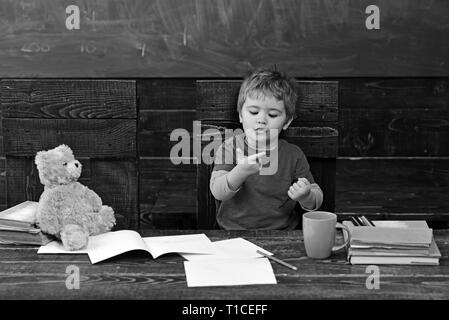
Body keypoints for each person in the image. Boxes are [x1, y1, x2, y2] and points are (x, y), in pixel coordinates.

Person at [210, 67, 323, 230]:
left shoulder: (293, 155)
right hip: (232, 232)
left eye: (272, 115)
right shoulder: (230, 148)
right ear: (241, 115)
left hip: (283, 233)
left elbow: (316, 196)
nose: (261, 120)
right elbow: (218, 192)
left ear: (286, 122)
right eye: (254, 112)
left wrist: (306, 196)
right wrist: (241, 171)